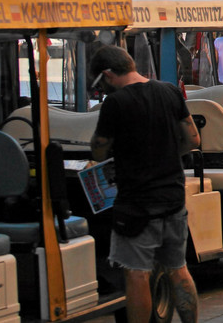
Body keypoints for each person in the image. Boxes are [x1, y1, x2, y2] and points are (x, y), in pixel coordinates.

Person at [89, 45, 201, 323]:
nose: (102, 89)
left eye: (101, 83)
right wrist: (167, 156)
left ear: (107, 74)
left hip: (136, 205)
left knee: (136, 273)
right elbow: (193, 139)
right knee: (177, 267)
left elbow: (100, 149)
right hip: (174, 198)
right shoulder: (169, 92)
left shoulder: (115, 103)